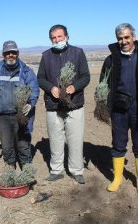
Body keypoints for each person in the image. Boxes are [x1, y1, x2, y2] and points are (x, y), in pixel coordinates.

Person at [99, 23, 138, 196]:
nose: (123, 41)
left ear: (133, 37)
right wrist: (104, 109)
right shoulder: (111, 60)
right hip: (119, 110)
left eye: (127, 37)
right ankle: (117, 178)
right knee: (118, 145)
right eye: (120, 38)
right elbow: (103, 86)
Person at [37, 24, 90, 184]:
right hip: (53, 106)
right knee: (55, 139)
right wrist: (50, 87)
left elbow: (86, 76)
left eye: (59, 36)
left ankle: (76, 170)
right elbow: (40, 78)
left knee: (75, 139)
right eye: (53, 38)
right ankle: (57, 170)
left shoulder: (78, 53)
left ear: (67, 37)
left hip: (74, 104)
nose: (57, 40)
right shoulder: (46, 56)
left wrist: (75, 87)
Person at [0, 40, 39, 169]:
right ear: (3, 54)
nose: (11, 55)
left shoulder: (26, 71)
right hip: (3, 116)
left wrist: (30, 103)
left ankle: (25, 167)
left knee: (23, 143)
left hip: (21, 115)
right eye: (8, 52)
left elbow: (34, 89)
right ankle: (10, 166)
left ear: (17, 53)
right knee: (6, 144)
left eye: (13, 52)